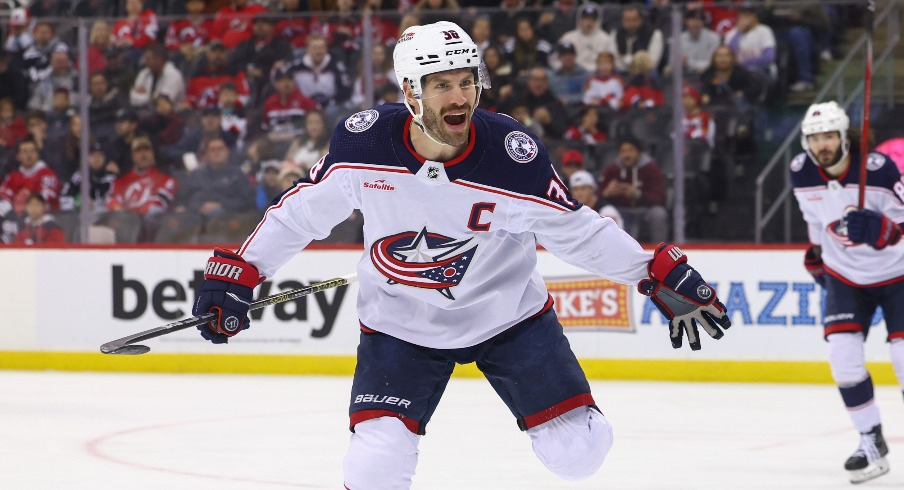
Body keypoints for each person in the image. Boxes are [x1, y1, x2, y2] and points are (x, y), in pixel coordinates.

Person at [189, 21, 730, 488]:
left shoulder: (510, 155)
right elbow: (297, 214)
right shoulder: (364, 146)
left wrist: (652, 271)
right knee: (375, 464)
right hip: (401, 325)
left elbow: (576, 231)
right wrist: (241, 271)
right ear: (410, 91)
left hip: (509, 317)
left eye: (467, 81)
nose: (459, 97)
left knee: (579, 454)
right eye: (441, 84)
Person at [791, 101, 904, 484]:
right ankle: (870, 439)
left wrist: (885, 231)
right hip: (845, 277)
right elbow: (814, 219)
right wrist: (817, 253)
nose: (822, 144)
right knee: (843, 360)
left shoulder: (880, 169)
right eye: (814, 138)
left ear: (844, 137)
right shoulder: (801, 172)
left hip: (898, 274)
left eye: (828, 136)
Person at [599, 136, 668, 242]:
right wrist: (607, 193)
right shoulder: (613, 169)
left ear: (639, 152)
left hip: (645, 209)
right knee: (606, 212)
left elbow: (660, 198)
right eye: (623, 151)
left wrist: (637, 195)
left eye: (630, 150)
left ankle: (660, 248)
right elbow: (597, 195)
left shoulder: (651, 169)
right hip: (621, 210)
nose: (626, 155)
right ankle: (611, 250)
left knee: (658, 213)